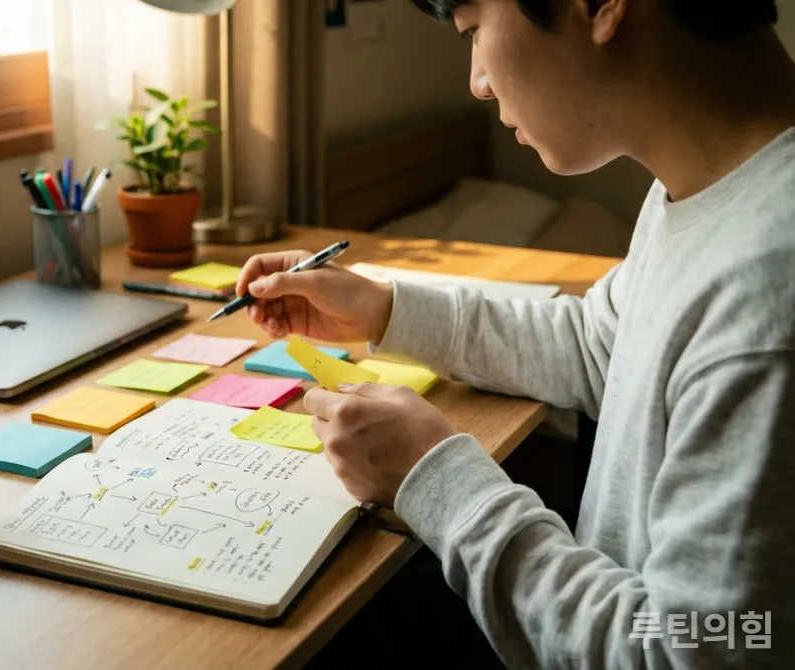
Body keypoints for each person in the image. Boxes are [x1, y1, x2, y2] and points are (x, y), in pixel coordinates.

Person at [242, 1, 795, 667]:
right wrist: (385, 310)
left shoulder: (765, 291)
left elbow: (688, 654)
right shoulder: (714, 184)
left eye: (474, 27)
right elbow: (600, 346)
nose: (477, 80)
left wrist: (439, 479)